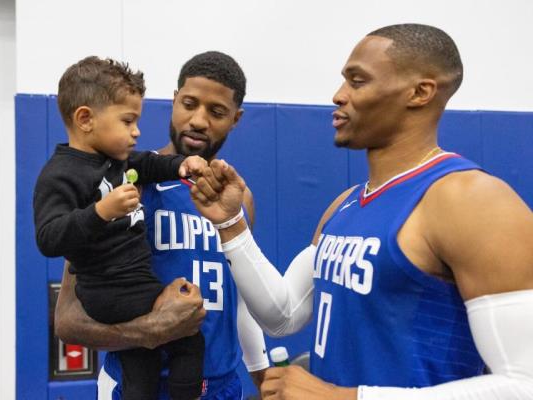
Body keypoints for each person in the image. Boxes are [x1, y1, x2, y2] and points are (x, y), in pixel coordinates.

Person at [190, 24, 533, 399]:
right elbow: (283, 316)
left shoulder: (471, 200)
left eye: (357, 81)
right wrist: (230, 223)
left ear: (419, 92)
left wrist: (344, 398)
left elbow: (524, 383)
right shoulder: (346, 204)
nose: (339, 96)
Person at [54, 51, 269, 399]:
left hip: (222, 387)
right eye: (189, 103)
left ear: (236, 118)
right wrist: (148, 330)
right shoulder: (124, 183)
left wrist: (261, 373)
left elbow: (235, 300)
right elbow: (68, 320)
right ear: (173, 101)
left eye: (216, 112)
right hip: (143, 386)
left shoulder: (239, 200)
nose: (199, 120)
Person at [34, 56, 208, 400]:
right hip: (110, 289)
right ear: (85, 119)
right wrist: (101, 211)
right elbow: (48, 237)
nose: (136, 131)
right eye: (128, 121)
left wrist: (181, 165)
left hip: (131, 282)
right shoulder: (59, 174)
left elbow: (151, 163)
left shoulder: (117, 160)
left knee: (140, 362)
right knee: (189, 334)